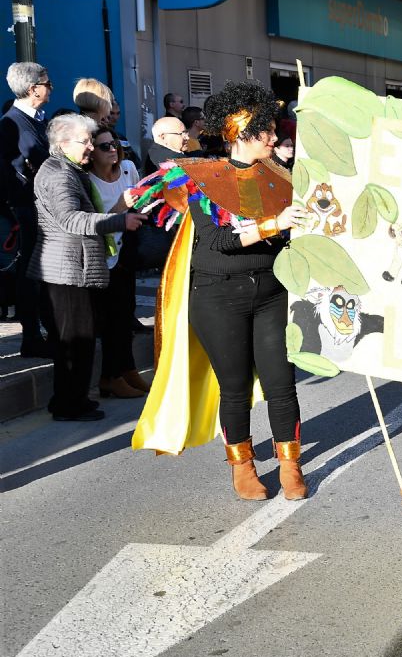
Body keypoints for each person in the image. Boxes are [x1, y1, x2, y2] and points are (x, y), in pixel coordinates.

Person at [132, 81, 312, 501]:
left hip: (271, 291)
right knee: (233, 388)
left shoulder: (281, 175)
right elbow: (219, 242)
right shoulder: (201, 178)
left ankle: (291, 464)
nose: (274, 137)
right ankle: (243, 466)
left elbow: (291, 237)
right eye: (266, 131)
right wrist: (275, 225)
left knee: (281, 382)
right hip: (218, 295)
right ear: (242, 132)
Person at [29, 114, 147, 421]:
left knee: (77, 340)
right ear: (63, 143)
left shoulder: (67, 169)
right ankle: (70, 404)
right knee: (74, 341)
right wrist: (120, 220)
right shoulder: (59, 174)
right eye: (85, 141)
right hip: (65, 269)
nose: (90, 147)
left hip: (71, 266)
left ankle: (69, 399)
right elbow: (71, 219)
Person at [86, 123, 149, 399]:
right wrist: (122, 207)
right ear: (91, 151)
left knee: (126, 315)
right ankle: (110, 377)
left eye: (115, 145)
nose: (113, 150)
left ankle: (128, 369)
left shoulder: (128, 170)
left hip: (127, 253)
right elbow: (93, 223)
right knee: (110, 320)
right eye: (105, 146)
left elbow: (140, 203)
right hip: (101, 257)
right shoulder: (86, 181)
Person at [0, 62, 56, 357]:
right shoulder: (12, 123)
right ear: (33, 89)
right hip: (27, 209)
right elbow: (11, 172)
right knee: (30, 273)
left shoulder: (36, 120)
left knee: (40, 273)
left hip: (40, 207)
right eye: (48, 83)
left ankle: (44, 331)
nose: (51, 89)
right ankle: (32, 336)